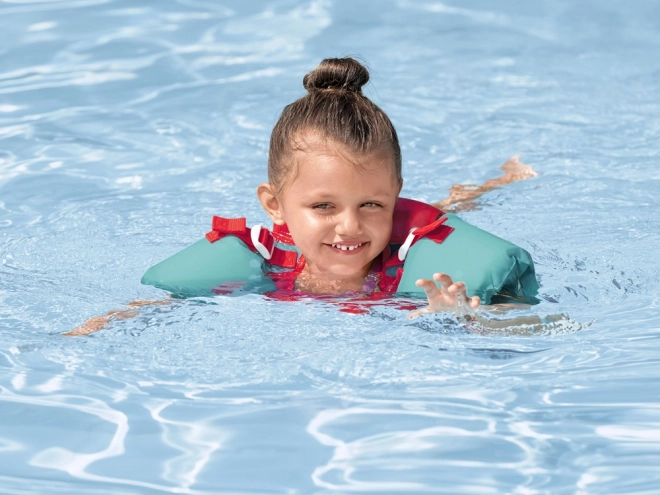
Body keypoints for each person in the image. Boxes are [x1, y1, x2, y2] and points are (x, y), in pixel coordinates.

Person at [66, 57, 540, 336]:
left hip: (410, 240)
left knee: (444, 212)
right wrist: (93, 328)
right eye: (323, 206)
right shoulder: (269, 262)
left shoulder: (417, 270)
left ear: (396, 195)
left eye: (372, 204)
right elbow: (161, 307)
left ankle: (488, 187)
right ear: (274, 205)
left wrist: (459, 321)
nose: (350, 227)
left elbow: (532, 329)